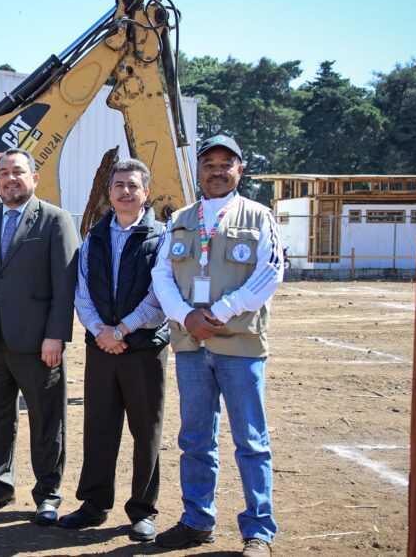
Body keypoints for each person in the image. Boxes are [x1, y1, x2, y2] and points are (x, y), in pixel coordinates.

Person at [150, 135, 283, 557]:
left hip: (239, 345)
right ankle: (197, 520)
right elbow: (161, 274)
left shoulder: (258, 215)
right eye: (209, 164)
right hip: (191, 344)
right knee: (194, 439)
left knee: (251, 440)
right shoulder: (180, 219)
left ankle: (258, 530)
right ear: (198, 171)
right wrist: (185, 315)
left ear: (240, 170)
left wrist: (221, 312)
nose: (217, 171)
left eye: (227, 164)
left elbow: (272, 270)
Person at [0, 148, 80, 526]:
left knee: (47, 421)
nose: (11, 178)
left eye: (18, 172)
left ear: (34, 178)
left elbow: (65, 284)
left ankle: (48, 494)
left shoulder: (56, 220)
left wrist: (56, 335)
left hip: (38, 344)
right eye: (4, 173)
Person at [57, 159, 168, 543]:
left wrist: (121, 330)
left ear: (145, 193)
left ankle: (143, 511)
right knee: (99, 428)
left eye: (133, 186)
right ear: (109, 192)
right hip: (102, 348)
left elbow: (159, 294)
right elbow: (82, 290)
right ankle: (94, 504)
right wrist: (101, 332)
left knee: (146, 431)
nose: (125, 192)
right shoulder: (95, 237)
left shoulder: (161, 237)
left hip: (144, 349)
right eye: (119, 185)